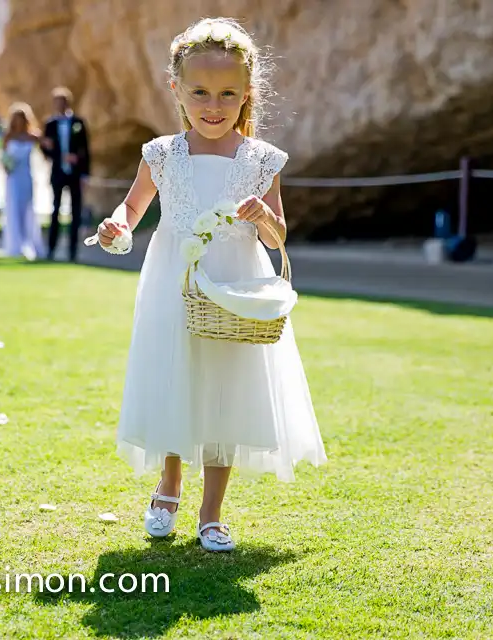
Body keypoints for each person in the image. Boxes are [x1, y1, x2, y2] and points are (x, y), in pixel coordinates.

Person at [94, 18, 326, 552]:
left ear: (248, 94)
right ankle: (169, 484)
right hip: (173, 279)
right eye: (200, 92)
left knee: (225, 388)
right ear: (177, 90)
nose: (213, 105)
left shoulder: (261, 160)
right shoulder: (162, 154)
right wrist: (118, 226)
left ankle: (212, 510)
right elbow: (134, 205)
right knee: (177, 376)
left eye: (227, 93)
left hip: (235, 281)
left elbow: (277, 237)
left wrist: (263, 213)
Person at [40, 87, 90, 262]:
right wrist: (50, 150)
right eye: (56, 102)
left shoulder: (78, 123)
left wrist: (84, 173)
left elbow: (86, 150)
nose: (59, 105)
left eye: (62, 102)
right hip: (58, 173)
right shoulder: (50, 124)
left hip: (75, 174)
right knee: (55, 210)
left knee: (75, 212)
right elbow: (45, 151)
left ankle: (73, 252)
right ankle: (51, 249)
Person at [1, 102, 45, 260]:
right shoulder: (8, 137)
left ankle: (32, 244)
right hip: (13, 178)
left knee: (28, 209)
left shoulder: (33, 136)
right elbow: (3, 157)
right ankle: (15, 245)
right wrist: (6, 165)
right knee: (13, 209)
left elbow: (46, 150)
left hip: (26, 176)